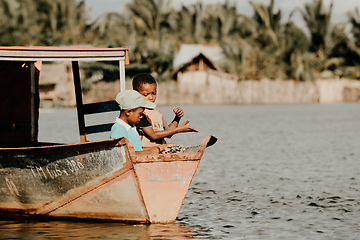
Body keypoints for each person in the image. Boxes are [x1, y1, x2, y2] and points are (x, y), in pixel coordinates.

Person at [132, 73, 198, 147]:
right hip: (147, 153)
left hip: (161, 152)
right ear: (136, 94)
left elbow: (168, 132)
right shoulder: (138, 113)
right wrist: (178, 130)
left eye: (154, 93)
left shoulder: (157, 112)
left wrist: (177, 118)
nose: (151, 97)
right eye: (146, 95)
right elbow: (153, 135)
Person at [110, 90, 178, 155]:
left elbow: (139, 149)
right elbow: (123, 155)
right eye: (140, 114)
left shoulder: (131, 128)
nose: (141, 117)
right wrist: (150, 152)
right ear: (128, 112)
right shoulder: (118, 129)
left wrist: (162, 148)